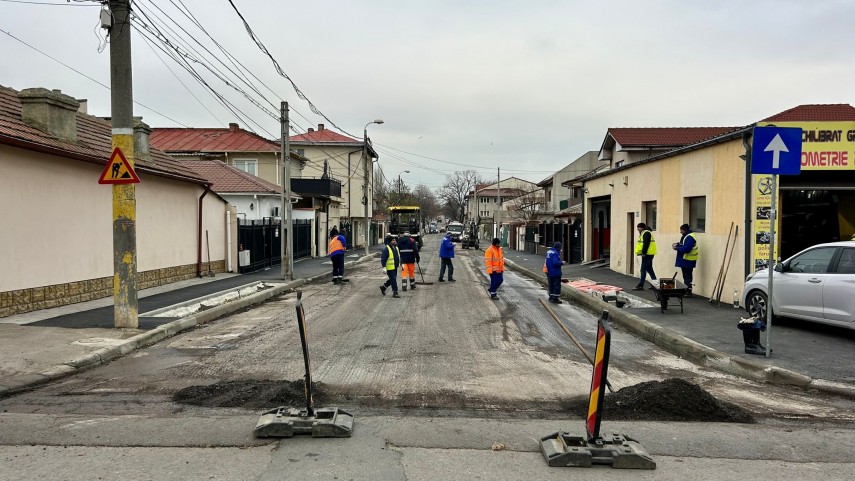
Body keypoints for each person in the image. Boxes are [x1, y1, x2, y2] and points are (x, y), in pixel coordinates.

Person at [673, 224, 698, 296]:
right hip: (686, 259)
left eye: (681, 230)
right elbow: (684, 245)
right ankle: (687, 290)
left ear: (685, 230)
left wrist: (677, 248)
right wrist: (677, 245)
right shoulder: (687, 236)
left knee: (687, 276)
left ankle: (688, 291)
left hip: (687, 259)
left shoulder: (689, 237)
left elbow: (687, 249)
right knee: (686, 275)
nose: (680, 231)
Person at [633, 222, 657, 291]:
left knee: (643, 269)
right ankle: (655, 284)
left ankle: (641, 285)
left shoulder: (646, 233)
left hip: (647, 254)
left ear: (642, 228)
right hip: (649, 254)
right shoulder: (646, 232)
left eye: (638, 228)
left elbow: (646, 243)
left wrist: (643, 252)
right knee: (649, 269)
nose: (638, 229)